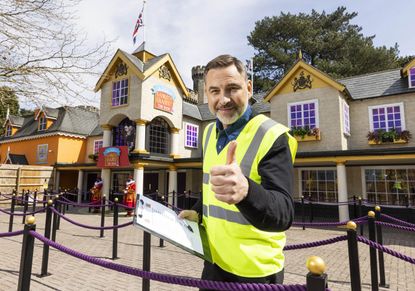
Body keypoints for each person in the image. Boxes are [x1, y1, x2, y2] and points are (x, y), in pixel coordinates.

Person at [179, 54, 297, 289]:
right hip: (214, 263)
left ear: (249, 88)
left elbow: (283, 213)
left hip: (255, 272)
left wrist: (246, 191)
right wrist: (197, 213)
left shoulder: (273, 135)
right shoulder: (208, 132)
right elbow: (212, 190)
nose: (223, 99)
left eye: (232, 88)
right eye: (214, 91)